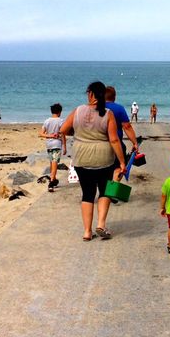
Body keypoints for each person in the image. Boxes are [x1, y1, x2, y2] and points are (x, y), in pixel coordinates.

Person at [60, 81, 126, 241]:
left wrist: (79, 134)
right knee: (105, 191)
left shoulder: (78, 110)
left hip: (82, 157)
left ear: (90, 94)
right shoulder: (108, 113)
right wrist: (122, 162)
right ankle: (101, 224)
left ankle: (87, 232)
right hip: (104, 158)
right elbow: (114, 140)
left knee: (87, 194)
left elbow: (63, 129)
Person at [105, 86, 138, 182]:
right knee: (119, 167)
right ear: (114, 97)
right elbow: (127, 126)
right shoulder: (119, 109)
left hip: (99, 144)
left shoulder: (96, 108)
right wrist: (135, 143)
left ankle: (105, 191)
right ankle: (112, 190)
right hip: (116, 144)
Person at [39, 103, 66, 192]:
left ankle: (54, 180)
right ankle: (51, 182)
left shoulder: (47, 121)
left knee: (52, 162)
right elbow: (63, 135)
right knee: (54, 162)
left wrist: (49, 135)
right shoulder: (61, 121)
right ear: (59, 112)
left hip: (49, 144)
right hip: (57, 144)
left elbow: (41, 134)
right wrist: (64, 146)